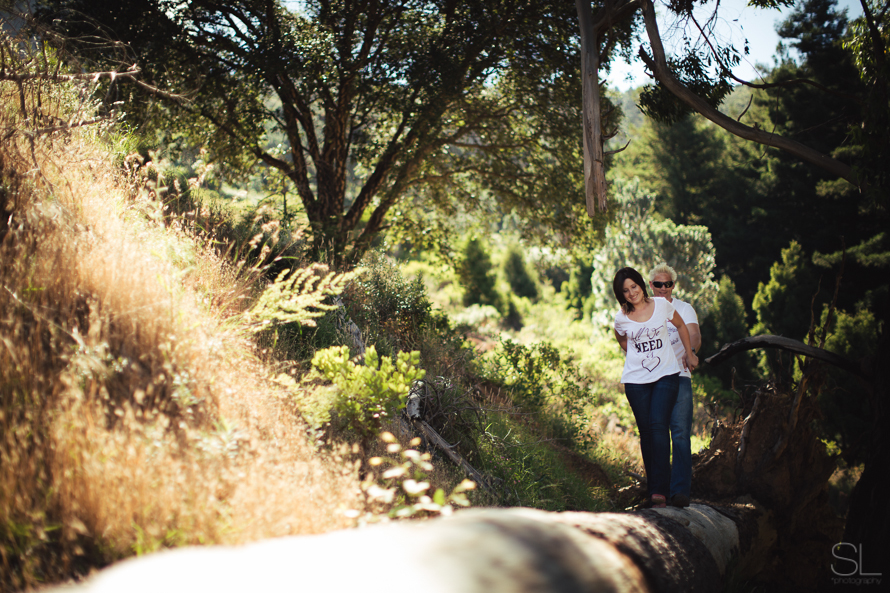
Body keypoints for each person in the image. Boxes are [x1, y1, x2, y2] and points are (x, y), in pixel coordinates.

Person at [612, 267, 699, 508]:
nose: (631, 293)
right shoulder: (621, 317)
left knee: (659, 427)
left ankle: (663, 490)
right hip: (636, 381)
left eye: (633, 286)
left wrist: (690, 355)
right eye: (625, 291)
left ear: (641, 284)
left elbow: (682, 326)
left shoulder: (662, 306)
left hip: (667, 375)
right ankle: (654, 490)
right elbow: (621, 337)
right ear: (621, 295)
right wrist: (636, 356)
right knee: (647, 433)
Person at [649, 262, 701, 508]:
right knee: (655, 436)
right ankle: (656, 490)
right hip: (652, 379)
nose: (663, 288)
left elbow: (694, 336)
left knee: (680, 434)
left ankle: (680, 491)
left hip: (680, 376)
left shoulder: (684, 308)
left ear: (672, 286)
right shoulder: (644, 310)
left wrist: (689, 352)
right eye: (658, 284)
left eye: (667, 284)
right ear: (651, 285)